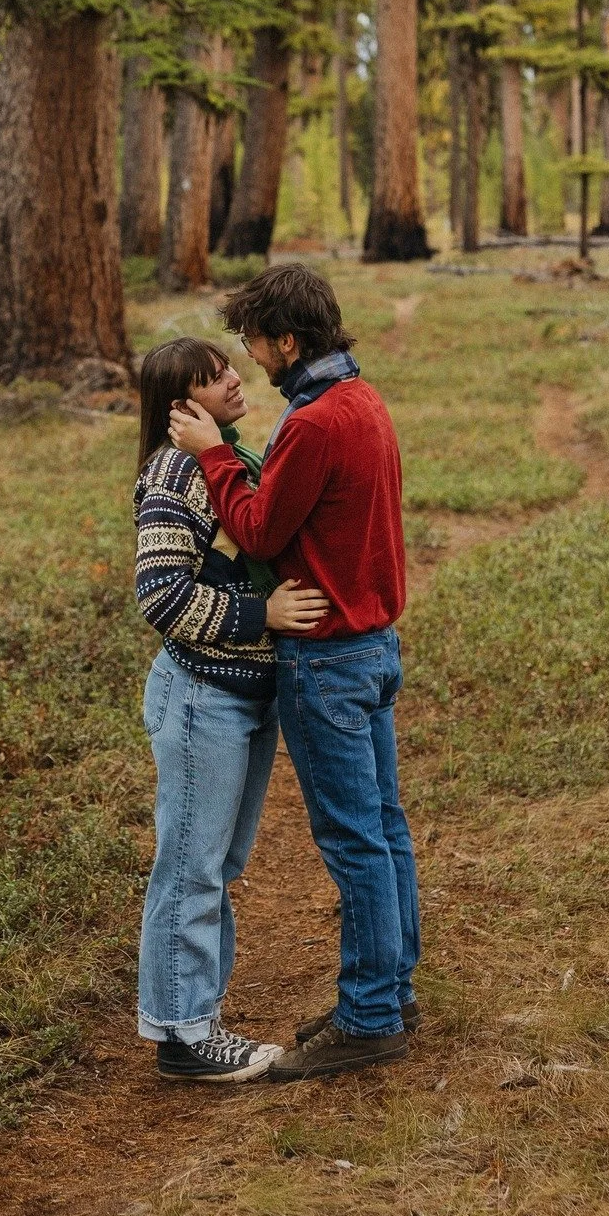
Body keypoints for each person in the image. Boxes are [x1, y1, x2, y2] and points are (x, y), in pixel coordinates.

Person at [168, 264, 420, 1081]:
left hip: (329, 658)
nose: (250, 358)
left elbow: (262, 531)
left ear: (286, 340)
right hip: (374, 645)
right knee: (383, 827)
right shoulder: (365, 399)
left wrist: (212, 455)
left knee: (354, 840)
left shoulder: (313, 423)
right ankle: (391, 991)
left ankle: (371, 1015)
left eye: (253, 342)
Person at [133, 336, 331, 1083]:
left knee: (215, 862)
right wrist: (263, 615)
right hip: (201, 696)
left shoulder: (229, 459)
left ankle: (195, 1015)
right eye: (213, 379)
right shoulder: (177, 470)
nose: (233, 379)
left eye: (227, 368)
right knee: (191, 866)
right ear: (181, 405)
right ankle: (185, 1035)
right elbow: (160, 593)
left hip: (243, 696)